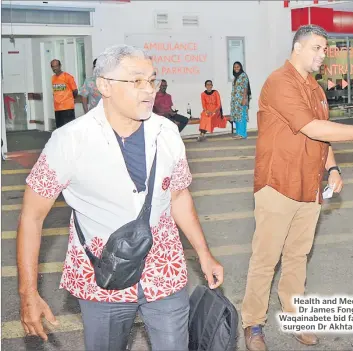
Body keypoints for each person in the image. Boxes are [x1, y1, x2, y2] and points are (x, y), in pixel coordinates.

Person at [17, 44, 224, 350]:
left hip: (164, 267)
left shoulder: (166, 133)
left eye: (151, 80)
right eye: (136, 80)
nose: (148, 90)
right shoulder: (70, 141)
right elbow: (32, 216)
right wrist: (28, 294)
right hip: (102, 275)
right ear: (105, 86)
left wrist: (204, 254)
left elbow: (178, 196)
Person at [241, 24, 353, 351]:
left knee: (297, 256)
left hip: (309, 187)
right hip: (278, 184)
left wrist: (332, 167)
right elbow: (309, 126)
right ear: (298, 48)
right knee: (266, 258)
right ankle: (253, 323)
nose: (323, 55)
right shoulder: (279, 83)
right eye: (317, 48)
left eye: (325, 49)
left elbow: (322, 135)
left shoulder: (315, 88)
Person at [50, 59, 78, 128]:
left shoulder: (68, 77)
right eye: (53, 67)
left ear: (60, 66)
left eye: (56, 66)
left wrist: (70, 99)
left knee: (68, 128)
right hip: (57, 108)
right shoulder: (53, 78)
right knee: (59, 129)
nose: (55, 68)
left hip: (67, 108)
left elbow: (75, 91)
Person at [230, 61, 250, 139]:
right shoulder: (236, 77)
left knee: (241, 116)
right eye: (235, 67)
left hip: (241, 99)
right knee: (237, 117)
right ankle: (238, 133)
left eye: (237, 67)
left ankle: (242, 134)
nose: (236, 68)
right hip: (235, 101)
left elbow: (245, 88)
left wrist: (244, 99)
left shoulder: (243, 75)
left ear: (240, 67)